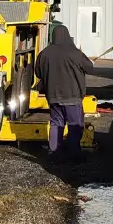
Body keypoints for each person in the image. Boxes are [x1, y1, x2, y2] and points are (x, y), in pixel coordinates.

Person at [33, 23, 93, 163]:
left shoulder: (44, 53)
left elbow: (38, 73)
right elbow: (90, 68)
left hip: (53, 96)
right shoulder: (75, 53)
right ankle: (74, 155)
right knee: (75, 126)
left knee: (56, 124)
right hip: (72, 96)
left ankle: (54, 154)